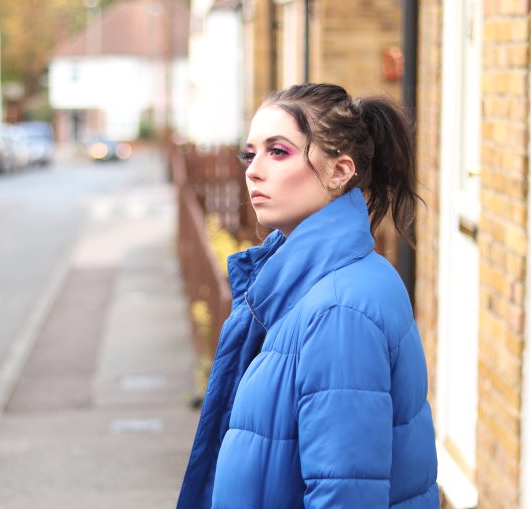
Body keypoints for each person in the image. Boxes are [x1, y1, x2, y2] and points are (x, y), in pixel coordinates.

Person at [176, 83, 439, 509]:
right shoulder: (308, 289)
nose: (253, 170)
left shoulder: (339, 309)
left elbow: (345, 495)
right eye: (250, 153)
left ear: (340, 171)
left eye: (278, 151)